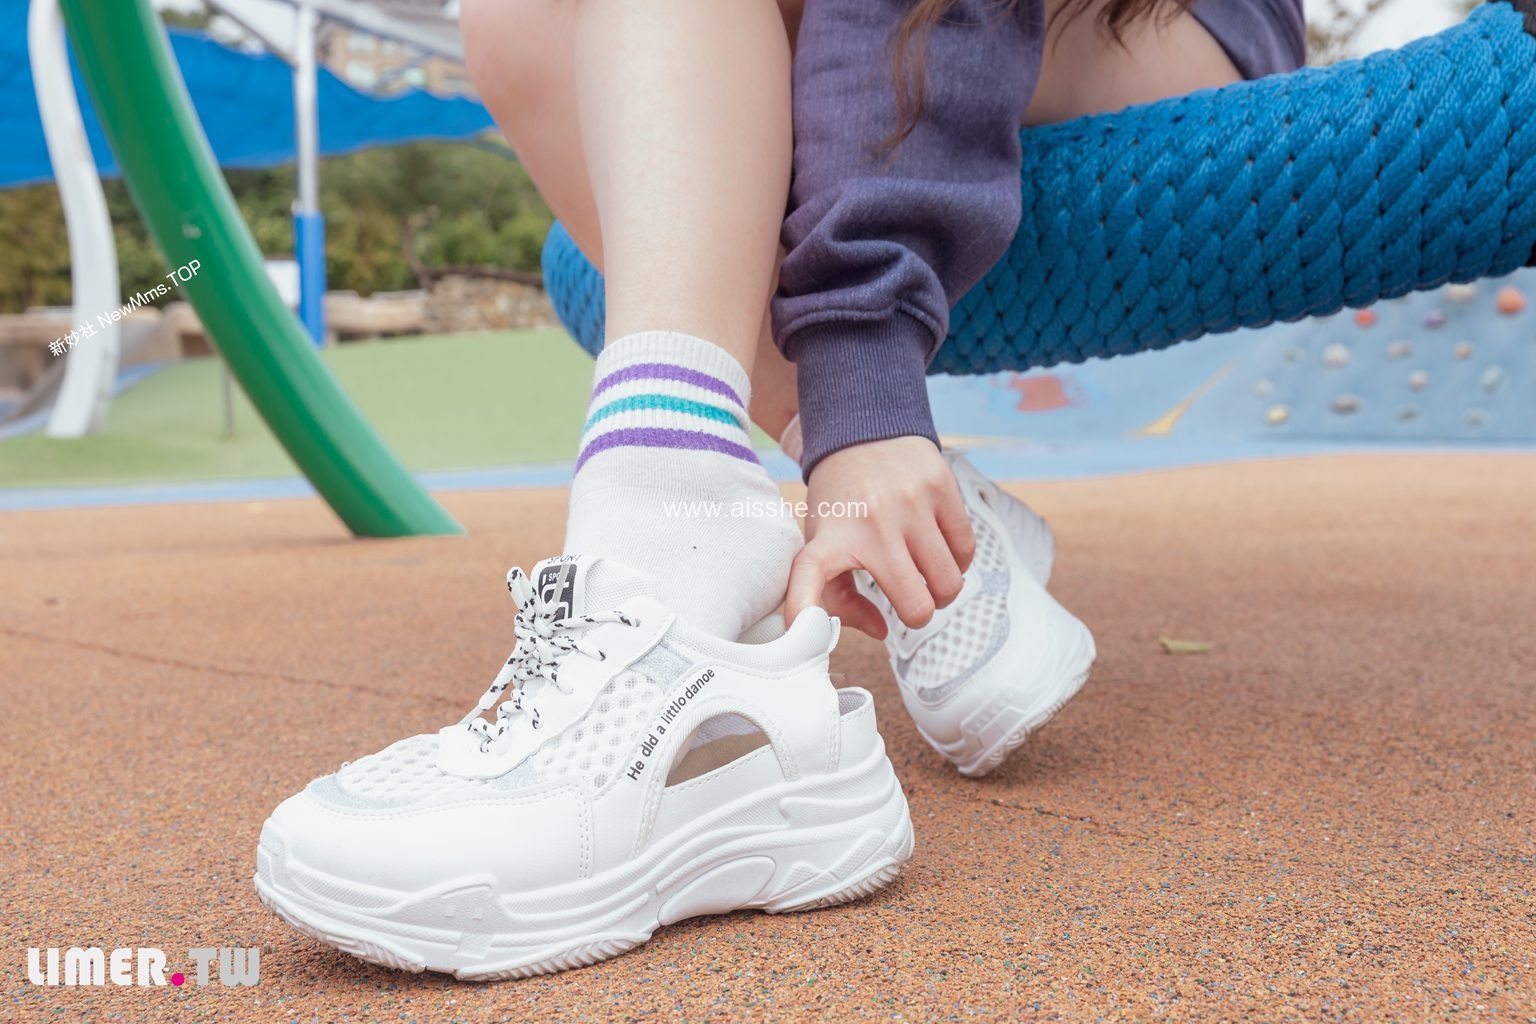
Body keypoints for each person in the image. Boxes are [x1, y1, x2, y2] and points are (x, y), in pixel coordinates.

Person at [253, 0, 1303, 977]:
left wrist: (862, 378)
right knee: (520, 17)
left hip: (1147, 28)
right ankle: (836, 527)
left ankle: (686, 545)